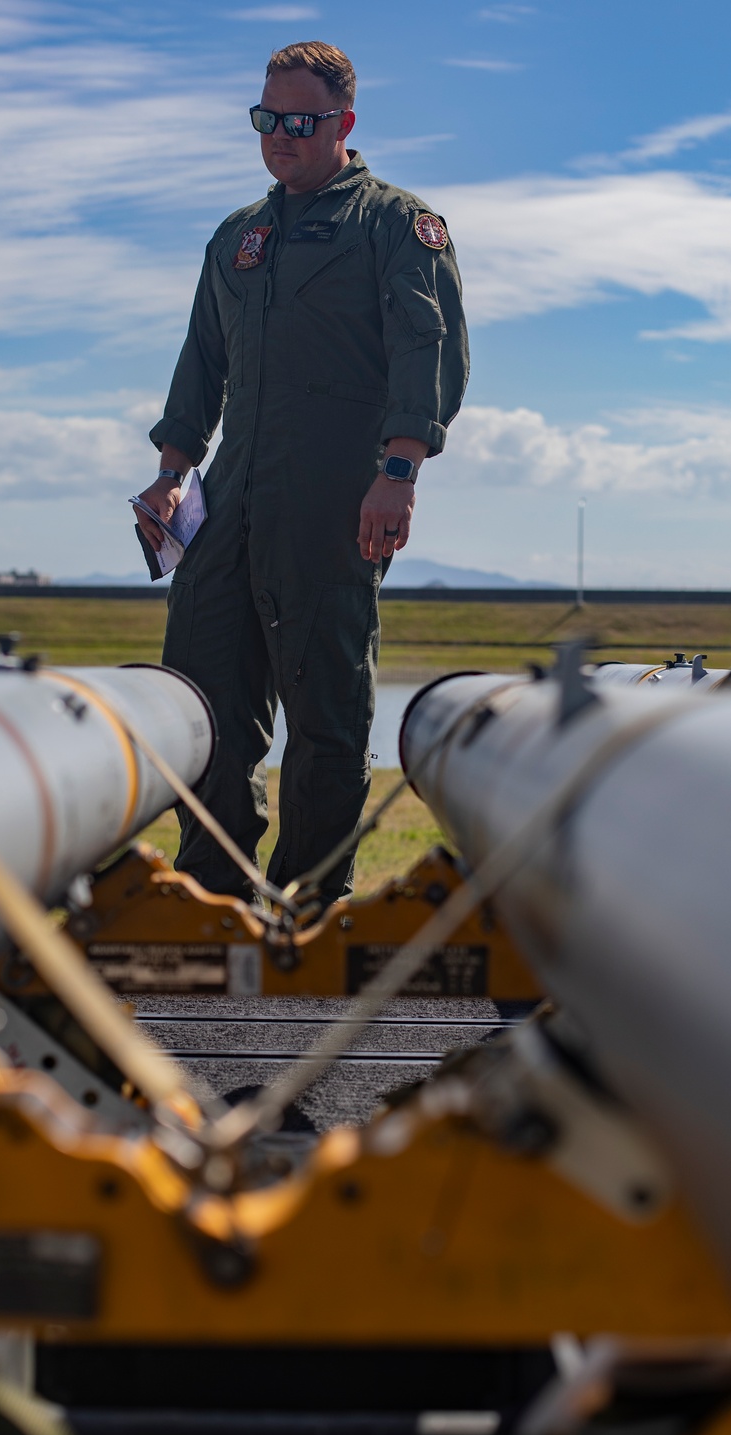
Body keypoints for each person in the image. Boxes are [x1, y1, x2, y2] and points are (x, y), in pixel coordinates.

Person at [137, 40, 468, 906]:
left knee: (325, 708)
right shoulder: (237, 237)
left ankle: (310, 897)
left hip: (336, 496)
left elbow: (427, 353)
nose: (279, 136)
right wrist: (174, 472)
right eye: (266, 119)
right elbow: (201, 361)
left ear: (343, 124)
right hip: (230, 494)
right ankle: (215, 892)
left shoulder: (395, 224)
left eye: (299, 121)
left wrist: (399, 470)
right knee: (204, 693)